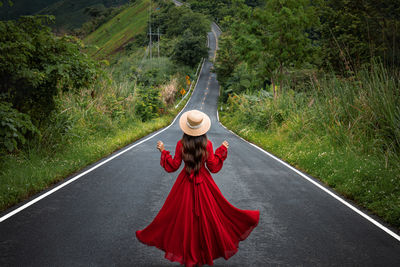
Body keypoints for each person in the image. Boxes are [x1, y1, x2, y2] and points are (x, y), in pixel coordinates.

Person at [136, 109, 260, 266]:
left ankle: (189, 255)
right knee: (213, 218)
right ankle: (203, 252)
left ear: (187, 128)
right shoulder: (207, 144)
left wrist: (163, 151)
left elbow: (173, 165)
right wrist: (222, 150)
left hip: (184, 184)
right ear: (202, 128)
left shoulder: (181, 144)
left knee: (181, 220)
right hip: (205, 184)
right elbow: (213, 166)